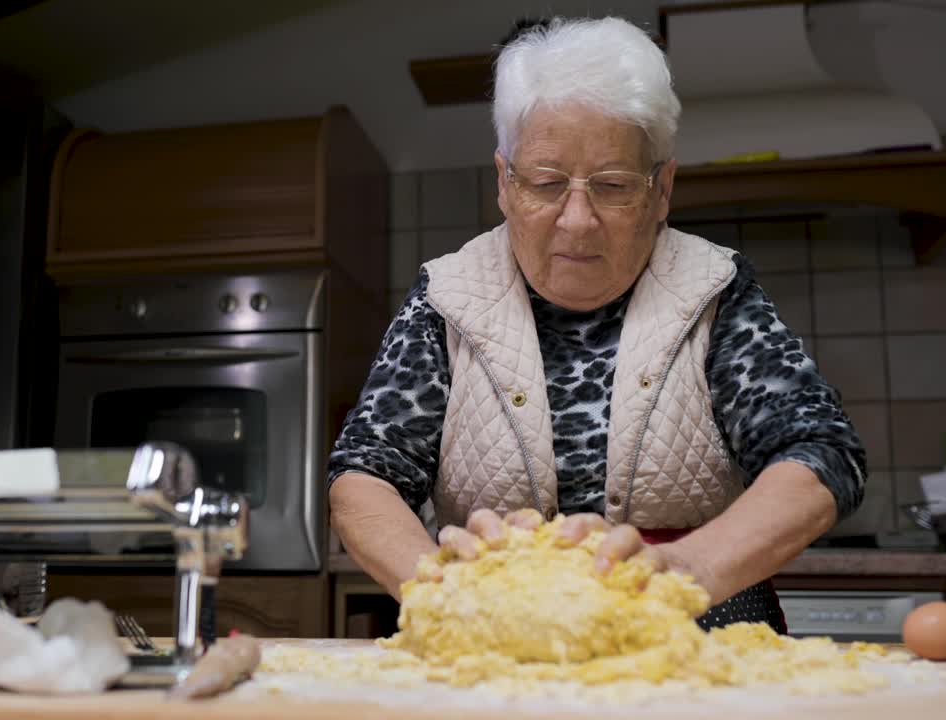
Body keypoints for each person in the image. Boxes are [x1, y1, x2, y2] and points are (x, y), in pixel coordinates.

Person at [327, 16, 867, 632]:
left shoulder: (714, 287)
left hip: (698, 631)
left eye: (612, 186)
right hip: (497, 630)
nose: (577, 220)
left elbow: (823, 453)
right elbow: (365, 475)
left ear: (662, 188)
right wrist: (440, 589)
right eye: (546, 183)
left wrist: (686, 569)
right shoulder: (447, 295)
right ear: (505, 182)